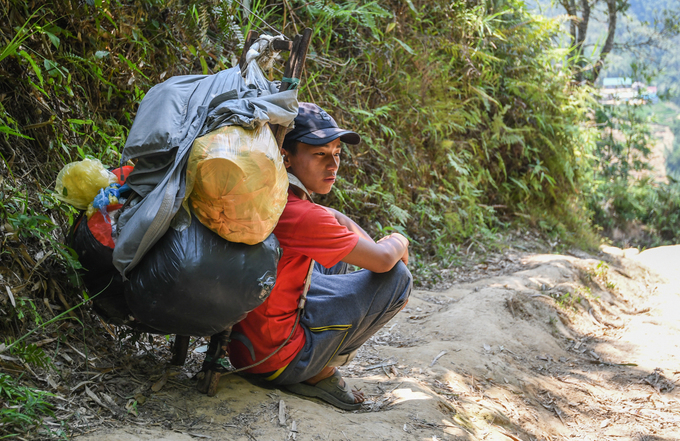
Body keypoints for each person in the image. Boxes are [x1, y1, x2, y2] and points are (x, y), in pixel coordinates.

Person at [227, 103, 412, 410]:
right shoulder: (302, 217)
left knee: (338, 253)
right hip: (275, 360)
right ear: (286, 157)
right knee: (398, 278)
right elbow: (382, 261)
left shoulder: (271, 197)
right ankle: (317, 371)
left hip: (244, 348)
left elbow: (340, 227)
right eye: (319, 154)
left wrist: (337, 219)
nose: (333, 165)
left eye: (337, 153)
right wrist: (399, 239)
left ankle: (307, 357)